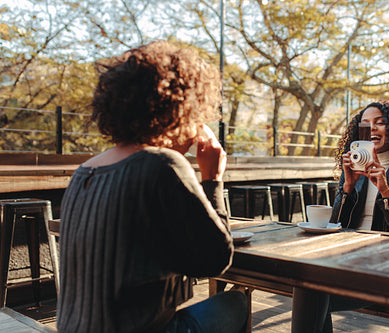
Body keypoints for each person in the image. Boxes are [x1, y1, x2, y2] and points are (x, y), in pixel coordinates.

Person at [56, 41, 248, 333]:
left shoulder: (86, 170)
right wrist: (212, 178)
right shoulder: (162, 165)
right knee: (235, 303)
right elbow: (216, 259)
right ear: (181, 108)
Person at [292, 100, 389, 333]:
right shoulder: (353, 167)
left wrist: (386, 191)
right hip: (348, 261)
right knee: (307, 283)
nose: (373, 129)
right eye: (365, 124)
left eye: (380, 123)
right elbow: (335, 225)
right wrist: (348, 187)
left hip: (386, 267)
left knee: (310, 293)